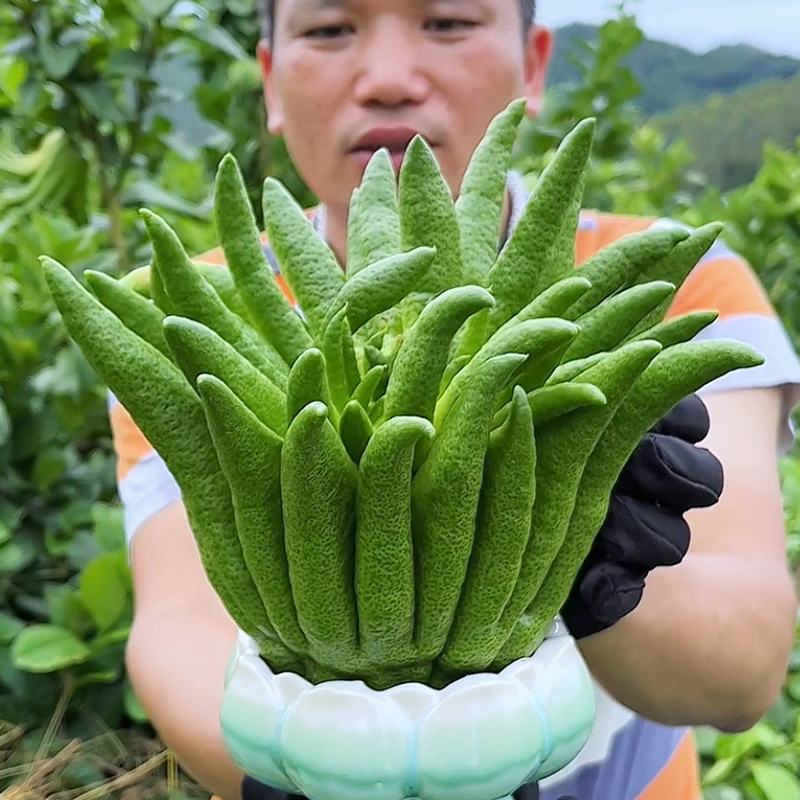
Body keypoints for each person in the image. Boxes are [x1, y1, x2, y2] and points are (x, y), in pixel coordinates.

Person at [116, 1, 800, 799]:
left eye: (447, 22)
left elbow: (743, 678)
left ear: (534, 65)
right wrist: (297, 780)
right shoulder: (195, 313)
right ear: (270, 79)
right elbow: (176, 626)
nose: (389, 80)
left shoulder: (670, 291)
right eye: (331, 29)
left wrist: (577, 519)